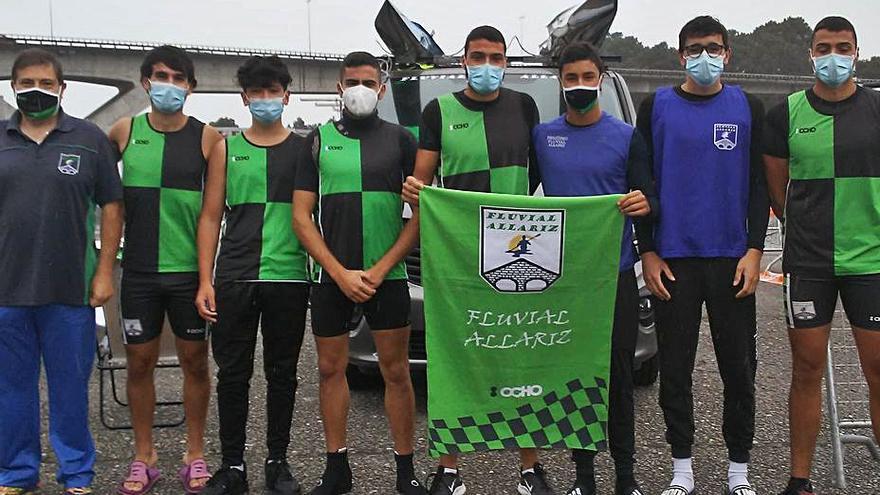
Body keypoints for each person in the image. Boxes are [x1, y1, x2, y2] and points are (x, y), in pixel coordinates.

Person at [402, 25, 552, 495]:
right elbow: (422, 181)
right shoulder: (438, 110)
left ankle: (530, 469)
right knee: (455, 360)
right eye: (478, 56)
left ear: (506, 62)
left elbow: (540, 177)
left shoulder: (524, 106)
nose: (486, 64)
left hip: (514, 256)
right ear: (463, 60)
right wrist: (413, 189)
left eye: (496, 56)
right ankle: (449, 469)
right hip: (459, 257)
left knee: (524, 358)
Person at [635, 16, 769, 495]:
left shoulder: (748, 107)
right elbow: (641, 184)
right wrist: (647, 251)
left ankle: (738, 469)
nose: (704, 56)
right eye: (694, 49)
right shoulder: (656, 107)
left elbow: (759, 187)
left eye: (713, 48)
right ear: (680, 56)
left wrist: (755, 248)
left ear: (728, 54)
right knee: (675, 369)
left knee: (739, 368)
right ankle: (682, 468)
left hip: (732, 260)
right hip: (674, 260)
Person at [292, 51, 425, 495]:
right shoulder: (316, 139)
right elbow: (301, 217)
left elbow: (421, 213)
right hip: (331, 278)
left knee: (396, 372)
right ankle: (336, 469)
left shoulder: (402, 140)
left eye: (369, 82)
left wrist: (384, 267)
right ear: (339, 88)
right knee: (331, 371)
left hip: (386, 277)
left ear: (382, 89)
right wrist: (339, 272)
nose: (361, 90)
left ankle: (405, 473)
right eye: (353, 81)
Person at [531, 42, 655, 495]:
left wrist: (645, 203)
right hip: (563, 281)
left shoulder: (626, 136)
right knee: (574, 379)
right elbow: (516, 200)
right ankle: (584, 480)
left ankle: (626, 477)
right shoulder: (543, 137)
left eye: (587, 77)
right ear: (560, 83)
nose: (579, 86)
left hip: (615, 275)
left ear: (600, 79)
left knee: (619, 378)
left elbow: (650, 198)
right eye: (570, 79)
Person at [763, 16, 880, 495]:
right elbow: (777, 191)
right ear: (811, 53)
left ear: (857, 51)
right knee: (807, 370)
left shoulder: (876, 110)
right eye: (824, 46)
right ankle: (800, 479)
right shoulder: (784, 113)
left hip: (871, 262)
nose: (834, 55)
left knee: (878, 371)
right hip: (809, 263)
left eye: (843, 46)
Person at [0, 48, 123, 495]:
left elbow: (112, 205)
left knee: (71, 391)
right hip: (7, 291)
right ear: (13, 87)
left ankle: (76, 475)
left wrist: (105, 271)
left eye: (46, 83)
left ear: (62, 88)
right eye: (27, 82)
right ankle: (16, 473)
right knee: (12, 391)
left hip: (70, 290)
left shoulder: (89, 138)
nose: (36, 90)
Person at [108, 45, 222, 495]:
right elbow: (98, 193)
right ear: (145, 82)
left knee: (195, 362)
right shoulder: (122, 130)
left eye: (178, 77)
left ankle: (195, 454)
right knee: (139, 363)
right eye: (160, 76)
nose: (168, 84)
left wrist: (206, 279)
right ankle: (144, 456)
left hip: (187, 275)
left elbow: (212, 215)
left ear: (190, 87)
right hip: (137, 272)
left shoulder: (209, 138)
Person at [195, 56, 310, 495]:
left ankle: (278, 462)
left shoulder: (306, 149)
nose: (265, 99)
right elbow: (210, 218)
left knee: (283, 373)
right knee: (233, 374)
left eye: (272, 91)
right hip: (236, 275)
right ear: (244, 98)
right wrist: (205, 280)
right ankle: (232, 466)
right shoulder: (227, 148)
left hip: (288, 277)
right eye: (256, 93)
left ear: (286, 94)